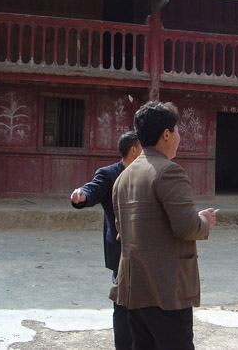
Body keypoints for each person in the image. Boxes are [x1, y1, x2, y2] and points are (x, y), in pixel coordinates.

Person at [110, 101, 217, 350]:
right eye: (178, 131)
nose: (179, 137)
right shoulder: (169, 171)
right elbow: (187, 228)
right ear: (166, 134)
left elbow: (123, 230)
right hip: (166, 288)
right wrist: (203, 221)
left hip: (134, 285)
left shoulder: (124, 176)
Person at [70, 131, 141, 350]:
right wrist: (82, 195)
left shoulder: (148, 173)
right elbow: (94, 189)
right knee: (123, 304)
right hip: (121, 251)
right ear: (134, 149)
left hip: (147, 251)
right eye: (143, 147)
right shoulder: (109, 174)